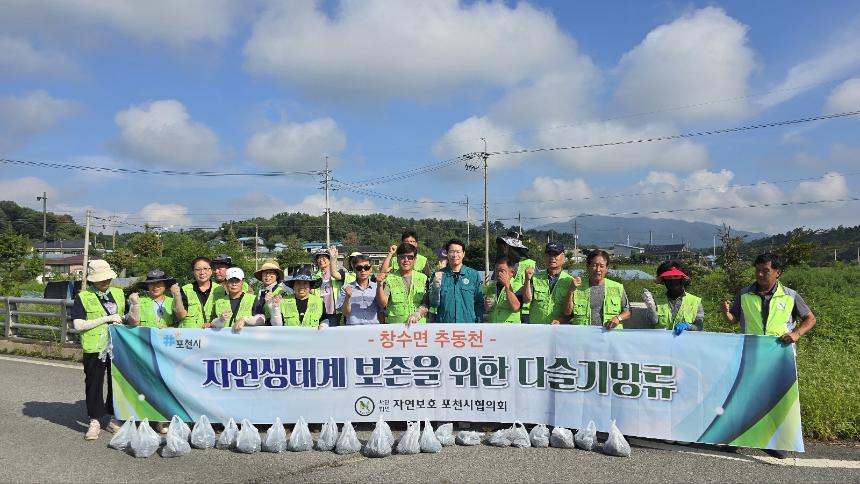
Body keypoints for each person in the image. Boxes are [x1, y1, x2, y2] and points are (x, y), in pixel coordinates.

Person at [720, 252, 816, 460]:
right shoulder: (744, 293)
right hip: (751, 352)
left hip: (779, 354)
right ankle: (736, 438)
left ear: (778, 272)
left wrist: (796, 334)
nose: (760, 274)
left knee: (775, 399)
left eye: (766, 271)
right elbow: (734, 319)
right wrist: (726, 313)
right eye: (758, 270)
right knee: (745, 396)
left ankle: (774, 442)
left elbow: (809, 318)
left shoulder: (790, 295)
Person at [70, 260, 136, 440]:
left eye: (107, 278)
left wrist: (130, 311)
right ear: (92, 280)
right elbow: (78, 324)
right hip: (95, 347)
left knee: (117, 382)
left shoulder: (119, 293)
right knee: (94, 383)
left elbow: (125, 317)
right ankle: (95, 420)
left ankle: (115, 418)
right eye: (101, 279)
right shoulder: (83, 297)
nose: (105, 282)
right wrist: (106, 319)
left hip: (118, 346)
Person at [565, 249, 631, 329]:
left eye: (602, 266)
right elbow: (567, 312)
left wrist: (618, 318)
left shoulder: (617, 287)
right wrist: (571, 290)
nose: (598, 270)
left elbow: (627, 312)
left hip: (610, 336)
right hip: (583, 336)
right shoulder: (577, 286)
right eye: (594, 265)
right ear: (587, 267)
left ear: (606, 269)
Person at [429, 239, 484, 323]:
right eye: (451, 251)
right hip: (445, 326)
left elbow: (479, 303)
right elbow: (432, 304)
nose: (455, 255)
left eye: (458, 252)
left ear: (463, 254)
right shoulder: (438, 275)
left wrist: (479, 323)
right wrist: (435, 286)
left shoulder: (473, 275)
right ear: (447, 253)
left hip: (468, 326)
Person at [643, 260, 704, 334]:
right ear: (664, 280)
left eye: (676, 276)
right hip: (661, 342)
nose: (673, 280)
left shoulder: (695, 301)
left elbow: (699, 326)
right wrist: (651, 308)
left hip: (685, 343)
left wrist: (688, 326)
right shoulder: (656, 300)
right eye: (668, 277)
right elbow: (653, 324)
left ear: (682, 279)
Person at [376, 242, 429, 324]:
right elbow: (383, 304)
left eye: (410, 257)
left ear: (415, 260)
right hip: (396, 328)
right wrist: (379, 285)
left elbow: (427, 303)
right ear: (397, 259)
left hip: (419, 328)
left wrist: (417, 314)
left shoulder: (423, 278)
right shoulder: (390, 279)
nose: (406, 260)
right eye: (402, 257)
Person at [522, 242, 574, 324]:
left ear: (563, 257)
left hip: (558, 331)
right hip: (537, 329)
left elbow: (571, 313)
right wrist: (527, 280)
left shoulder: (570, 281)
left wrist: (560, 320)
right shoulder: (534, 277)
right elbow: (526, 300)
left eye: (556, 254)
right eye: (549, 254)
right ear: (545, 257)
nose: (552, 258)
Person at [495, 232, 536, 323]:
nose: (503, 248)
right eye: (503, 245)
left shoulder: (530, 264)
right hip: (506, 312)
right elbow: (495, 286)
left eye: (506, 245)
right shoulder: (500, 263)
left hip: (526, 312)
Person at [210, 267, 265, 331]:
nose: (234, 284)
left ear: (243, 281)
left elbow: (262, 319)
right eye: (231, 281)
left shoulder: (252, 299)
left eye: (237, 281)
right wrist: (220, 320)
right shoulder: (219, 302)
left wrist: (245, 320)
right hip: (224, 339)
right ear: (226, 282)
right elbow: (213, 324)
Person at [337, 254, 381, 325]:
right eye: (359, 268)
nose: (363, 270)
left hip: (373, 329)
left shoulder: (377, 287)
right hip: (354, 330)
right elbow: (345, 313)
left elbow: (381, 310)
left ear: (371, 269)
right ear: (354, 270)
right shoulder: (345, 288)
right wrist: (347, 298)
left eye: (366, 267)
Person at [177, 257, 217, 328]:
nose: (202, 272)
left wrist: (212, 323)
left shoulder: (220, 289)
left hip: (213, 334)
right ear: (193, 272)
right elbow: (181, 315)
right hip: (190, 336)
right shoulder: (185, 290)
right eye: (198, 269)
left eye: (205, 268)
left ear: (211, 271)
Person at [484, 256, 522, 323]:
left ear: (511, 272)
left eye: (502, 271)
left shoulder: (518, 287)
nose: (499, 274)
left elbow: (516, 307)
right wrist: (487, 306)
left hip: (509, 329)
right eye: (496, 270)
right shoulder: (491, 287)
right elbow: (486, 309)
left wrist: (507, 285)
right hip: (493, 328)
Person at [312, 248, 342, 327]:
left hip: (334, 311)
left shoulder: (337, 274)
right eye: (319, 258)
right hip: (319, 310)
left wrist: (334, 258)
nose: (321, 260)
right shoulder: (314, 276)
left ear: (329, 260)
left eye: (324, 258)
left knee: (333, 334)